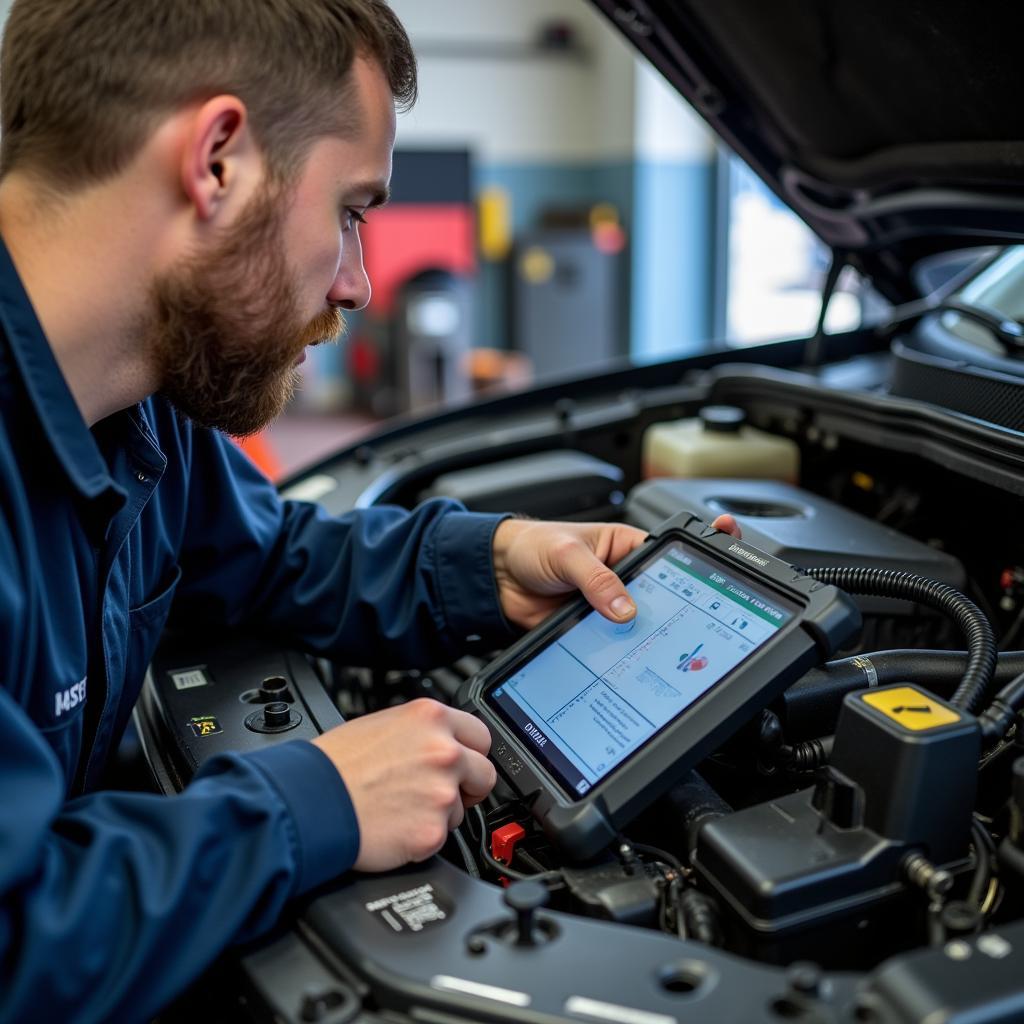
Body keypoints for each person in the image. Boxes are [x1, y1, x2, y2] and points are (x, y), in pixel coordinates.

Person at [0, 2, 739, 1021]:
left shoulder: (143, 410)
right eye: (352, 210)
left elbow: (266, 558)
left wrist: (496, 560)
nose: (358, 282)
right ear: (217, 160)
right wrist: (318, 801)